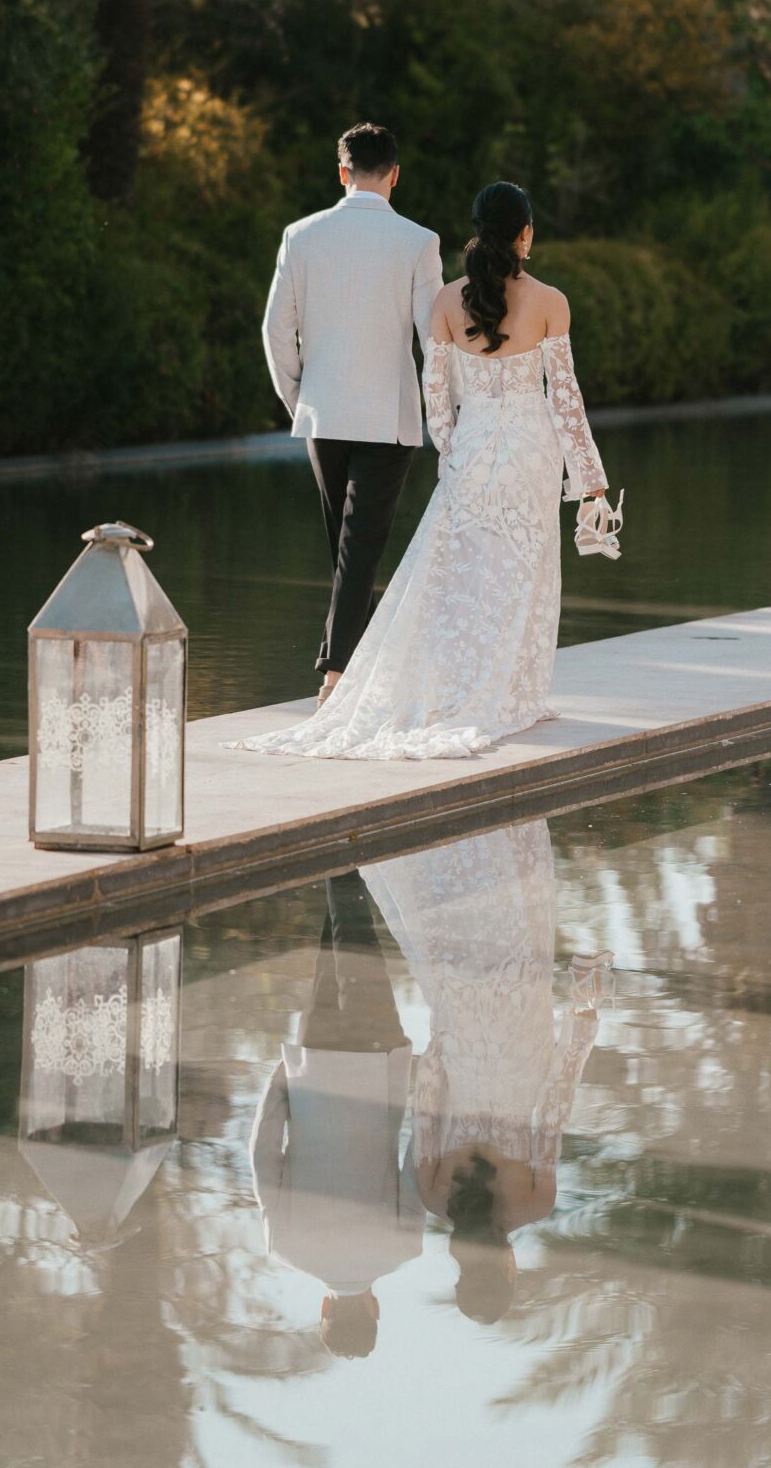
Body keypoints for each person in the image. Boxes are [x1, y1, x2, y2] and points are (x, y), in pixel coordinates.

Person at [248, 180, 613, 763]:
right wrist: (590, 481)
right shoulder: (551, 301)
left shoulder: (446, 302)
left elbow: (436, 400)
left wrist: (453, 452)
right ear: (525, 235)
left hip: (472, 451)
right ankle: (510, 693)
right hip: (531, 454)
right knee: (522, 575)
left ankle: (447, 688)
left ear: (477, 231)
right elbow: (566, 401)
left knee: (457, 581)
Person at [362, 819, 608, 1326]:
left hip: (521, 1041)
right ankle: (452, 826)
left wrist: (583, 1018)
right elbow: (427, 1098)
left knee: (513, 912)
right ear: (462, 1276)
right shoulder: (433, 1196)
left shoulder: (535, 1203)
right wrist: (446, 1034)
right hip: (466, 1039)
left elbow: (553, 1108)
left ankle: (496, 817)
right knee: (450, 923)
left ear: (510, 1271)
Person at [261, 121, 443, 705]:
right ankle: (339, 674)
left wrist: (298, 398)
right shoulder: (419, 241)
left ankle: (347, 670)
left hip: (324, 413)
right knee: (356, 547)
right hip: (389, 417)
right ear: (395, 175)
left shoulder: (300, 235)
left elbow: (275, 331)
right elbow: (434, 340)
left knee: (348, 546)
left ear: (342, 171)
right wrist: (448, 414)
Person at [248, 878, 424, 1360]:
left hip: (377, 1067)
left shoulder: (403, 1249)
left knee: (355, 942)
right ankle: (338, 859)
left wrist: (424, 1092)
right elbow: (263, 1154)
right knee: (332, 952)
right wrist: (284, 1079)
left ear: (375, 1310)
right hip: (315, 1069)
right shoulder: (284, 1246)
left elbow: (417, 1159)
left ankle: (344, 855)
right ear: (325, 1309)